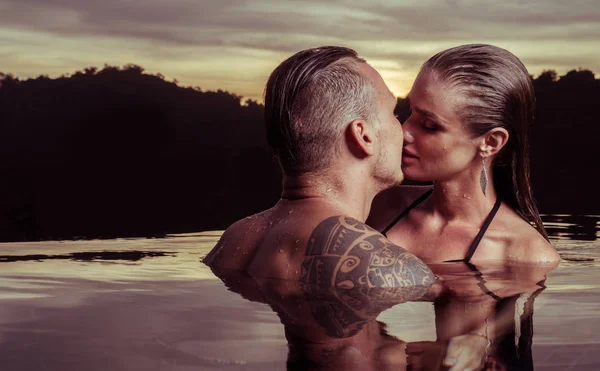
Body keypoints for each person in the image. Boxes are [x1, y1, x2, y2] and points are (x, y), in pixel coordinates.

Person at [203, 46, 435, 289]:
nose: (404, 131)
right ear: (364, 137)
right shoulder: (384, 264)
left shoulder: (233, 239)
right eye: (393, 114)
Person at [368, 44, 560, 264]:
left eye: (429, 125)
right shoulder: (379, 204)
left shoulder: (527, 255)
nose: (404, 132)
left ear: (490, 142)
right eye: (410, 112)